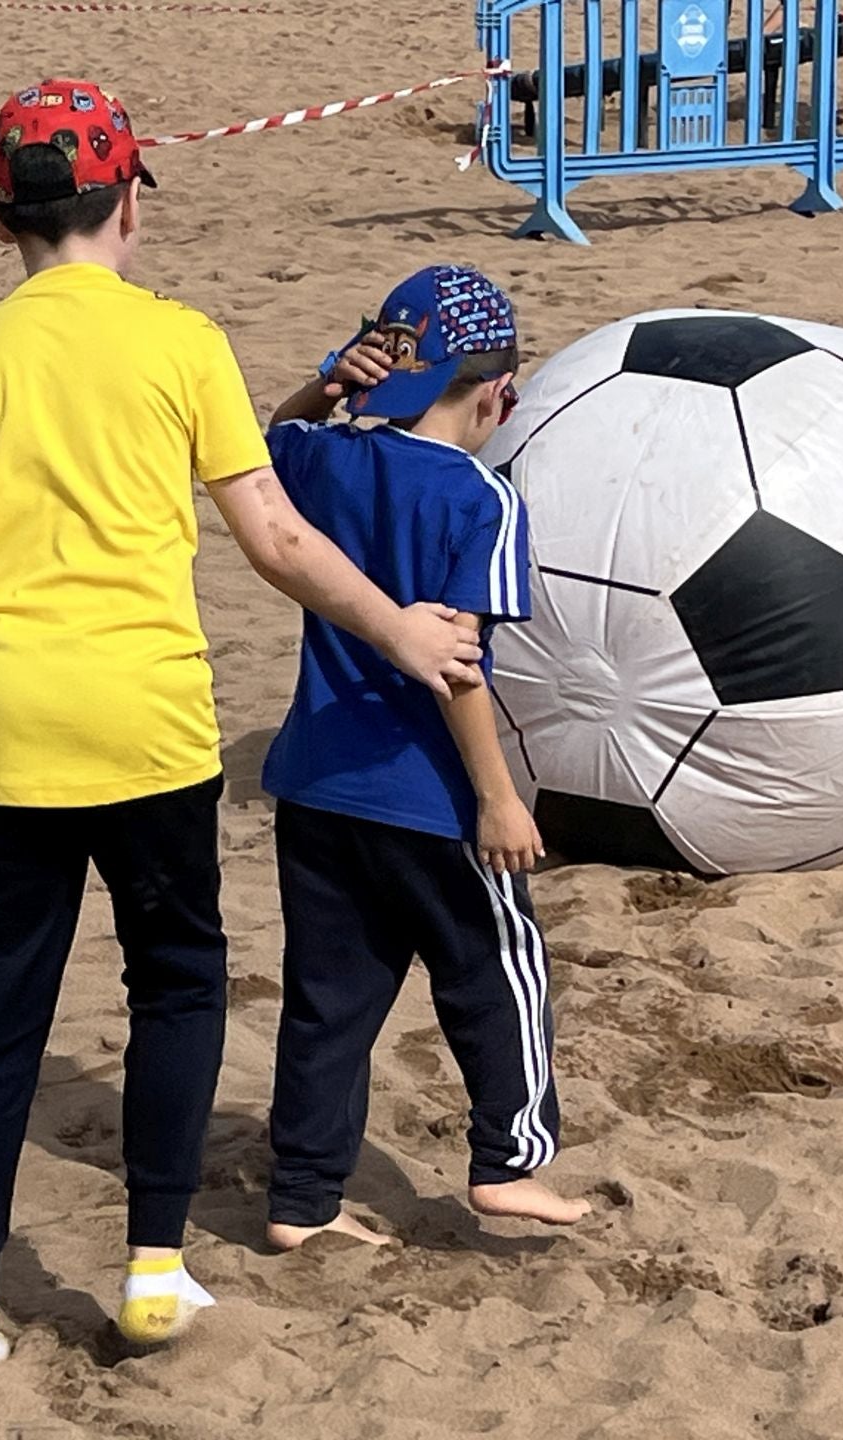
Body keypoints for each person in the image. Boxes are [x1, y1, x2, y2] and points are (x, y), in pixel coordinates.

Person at [0, 79, 485, 1391]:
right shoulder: (184, 343)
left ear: (1, 218)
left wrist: (6, 658)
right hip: (148, 727)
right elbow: (275, 536)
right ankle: (154, 1268)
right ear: (127, 207)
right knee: (173, 986)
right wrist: (399, 631)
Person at [259, 266, 591, 1252]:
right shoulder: (481, 499)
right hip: (429, 798)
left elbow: (264, 444)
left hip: (317, 785)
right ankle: (510, 1163)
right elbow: (457, 666)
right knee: (499, 971)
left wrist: (328, 383)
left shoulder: (325, 458)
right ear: (499, 396)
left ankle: (302, 1200)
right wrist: (498, 797)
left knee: (328, 1002)